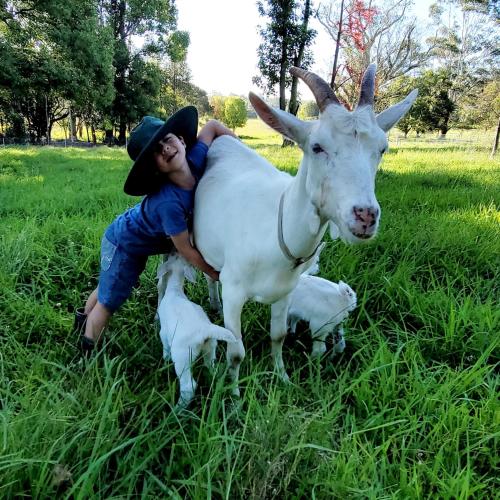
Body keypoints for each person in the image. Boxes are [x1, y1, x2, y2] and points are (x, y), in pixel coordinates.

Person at [73, 106, 237, 355]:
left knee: (108, 285)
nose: (166, 149)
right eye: (157, 153)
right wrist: (216, 274)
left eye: (168, 140)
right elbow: (185, 249)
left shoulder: (195, 160)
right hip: (123, 243)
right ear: (156, 169)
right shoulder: (169, 203)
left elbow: (212, 126)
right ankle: (86, 351)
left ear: (181, 140)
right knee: (110, 300)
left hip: (133, 240)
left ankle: (82, 321)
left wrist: (240, 150)